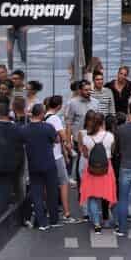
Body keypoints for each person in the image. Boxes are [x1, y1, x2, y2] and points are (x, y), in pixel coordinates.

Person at [20, 104, 61, 231]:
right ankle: (53, 219)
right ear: (42, 114)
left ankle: (42, 222)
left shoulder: (24, 129)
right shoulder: (48, 127)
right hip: (49, 164)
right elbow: (57, 140)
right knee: (52, 192)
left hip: (33, 165)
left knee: (36, 193)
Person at [79, 110, 116, 234]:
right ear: (103, 123)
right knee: (106, 195)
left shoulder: (86, 138)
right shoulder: (109, 136)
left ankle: (96, 223)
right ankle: (106, 219)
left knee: (92, 197)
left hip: (91, 170)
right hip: (106, 169)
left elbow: (84, 154)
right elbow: (112, 151)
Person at [45, 95, 77, 223]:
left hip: (47, 155)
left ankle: (49, 210)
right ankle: (67, 213)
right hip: (56, 156)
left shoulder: (44, 117)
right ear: (59, 106)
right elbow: (63, 137)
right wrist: (70, 150)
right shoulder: (55, 119)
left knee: (48, 185)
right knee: (64, 183)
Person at [0, 102, 24, 222]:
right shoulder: (16, 128)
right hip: (9, 167)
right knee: (3, 193)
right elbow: (20, 148)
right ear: (9, 113)